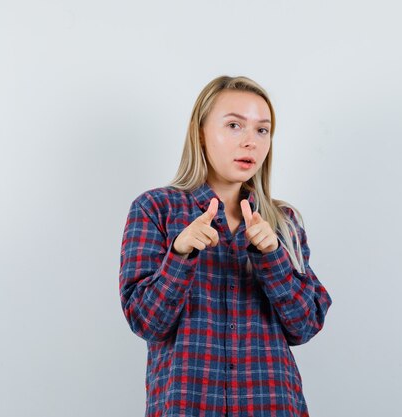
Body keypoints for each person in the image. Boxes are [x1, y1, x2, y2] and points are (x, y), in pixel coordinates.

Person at [118, 75, 333, 417]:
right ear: (200, 132)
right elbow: (146, 322)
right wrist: (180, 255)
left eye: (262, 130)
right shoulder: (155, 209)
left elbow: (305, 325)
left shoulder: (284, 220)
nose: (251, 141)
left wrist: (272, 257)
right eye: (235, 125)